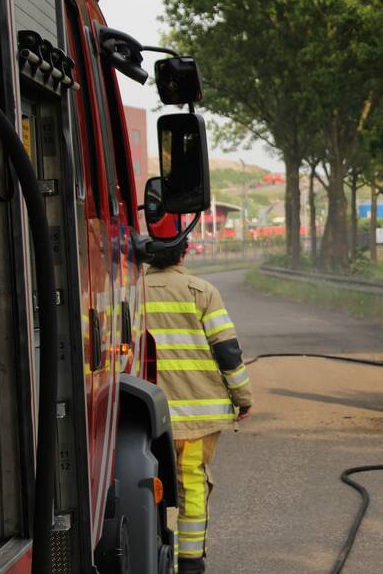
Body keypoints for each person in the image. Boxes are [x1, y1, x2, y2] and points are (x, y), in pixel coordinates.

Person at [144, 239, 252, 574]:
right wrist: (242, 397)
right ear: (184, 252)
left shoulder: (130, 293)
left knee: (145, 485)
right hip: (195, 420)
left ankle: (150, 552)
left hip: (141, 420)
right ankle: (189, 561)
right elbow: (227, 352)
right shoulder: (201, 291)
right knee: (190, 483)